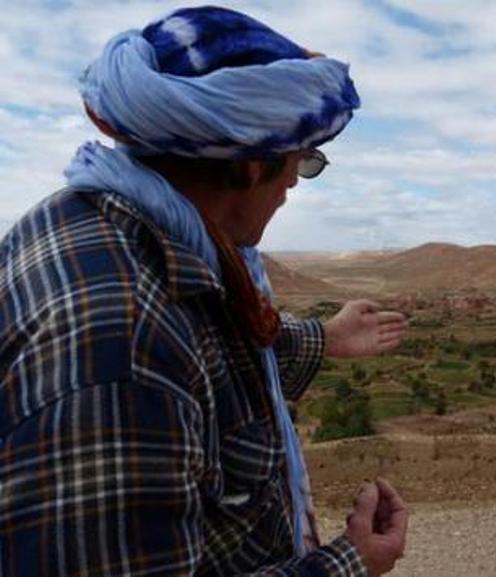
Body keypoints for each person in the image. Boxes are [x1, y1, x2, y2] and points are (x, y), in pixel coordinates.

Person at [0, 6, 408, 576]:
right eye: (301, 159)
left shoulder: (113, 225)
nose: (294, 182)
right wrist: (348, 564)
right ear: (251, 165)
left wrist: (321, 338)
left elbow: (204, 344)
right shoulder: (123, 350)